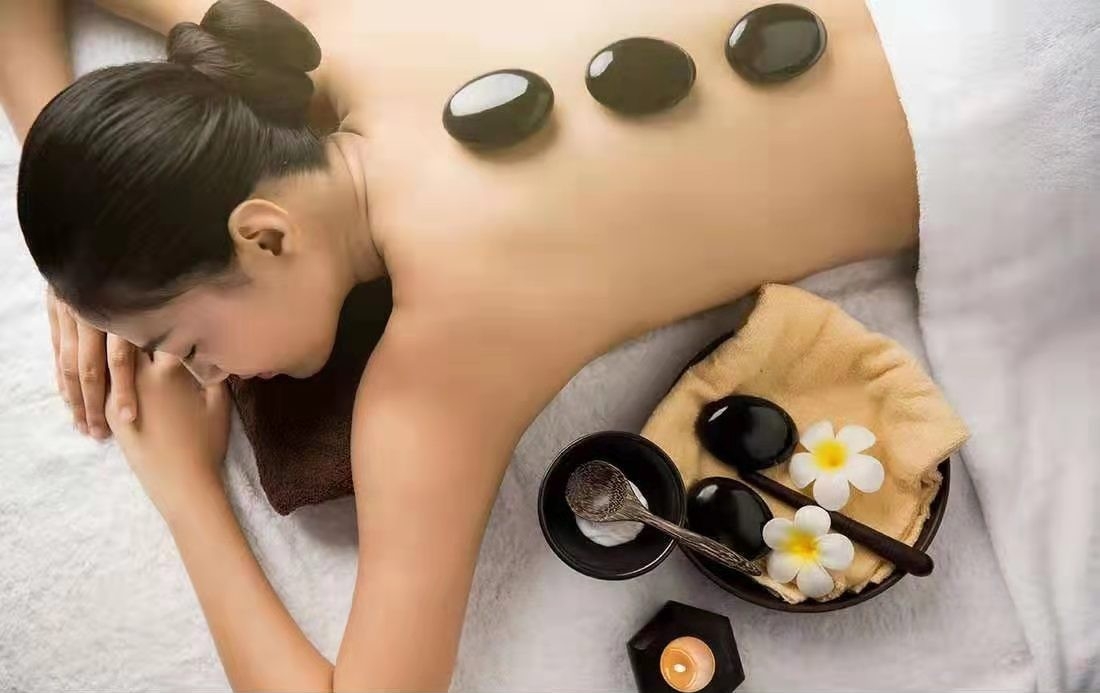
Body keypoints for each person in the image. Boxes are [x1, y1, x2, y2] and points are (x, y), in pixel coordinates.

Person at [0, 0, 917, 689]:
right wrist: (98, 236)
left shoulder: (441, 369)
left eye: (185, 340)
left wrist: (189, 494)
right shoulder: (322, 28)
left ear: (266, 235)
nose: (200, 373)